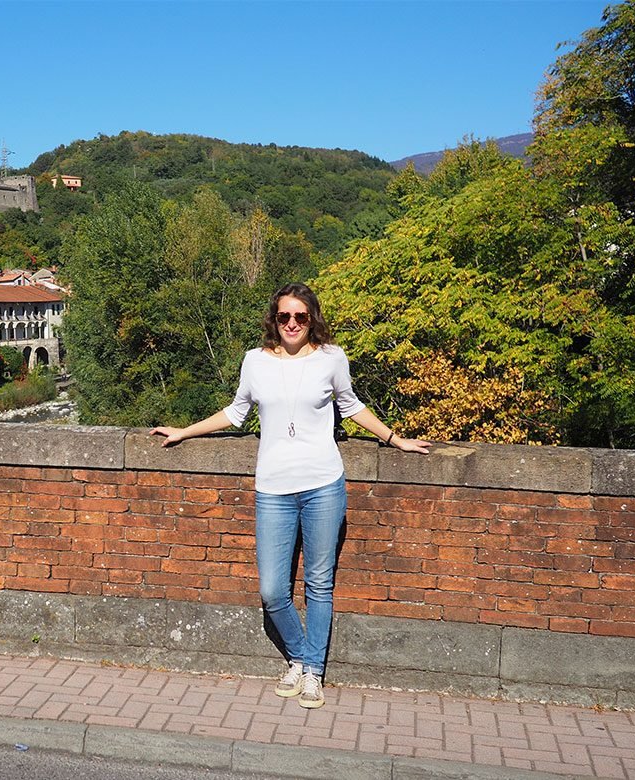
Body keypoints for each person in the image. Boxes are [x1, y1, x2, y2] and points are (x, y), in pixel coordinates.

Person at [149, 282, 430, 709]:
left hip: (323, 484)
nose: (292, 324)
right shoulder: (255, 362)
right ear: (274, 320)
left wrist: (395, 439)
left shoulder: (332, 359)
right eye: (284, 316)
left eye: (300, 316)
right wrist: (184, 431)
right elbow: (236, 412)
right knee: (273, 591)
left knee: (319, 584)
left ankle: (313, 672)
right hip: (274, 489)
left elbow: (351, 405)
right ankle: (300, 656)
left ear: (312, 318)